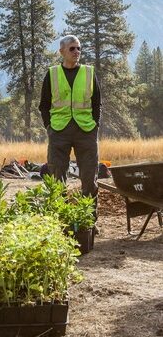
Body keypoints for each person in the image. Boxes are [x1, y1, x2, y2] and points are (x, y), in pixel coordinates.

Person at [39, 35, 101, 225]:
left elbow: (97, 103)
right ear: (62, 52)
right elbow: (44, 105)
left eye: (79, 48)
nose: (77, 52)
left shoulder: (89, 73)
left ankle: (89, 222)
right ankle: (61, 221)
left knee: (89, 177)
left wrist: (94, 126)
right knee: (57, 176)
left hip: (86, 131)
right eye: (72, 49)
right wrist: (50, 127)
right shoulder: (52, 74)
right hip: (59, 132)